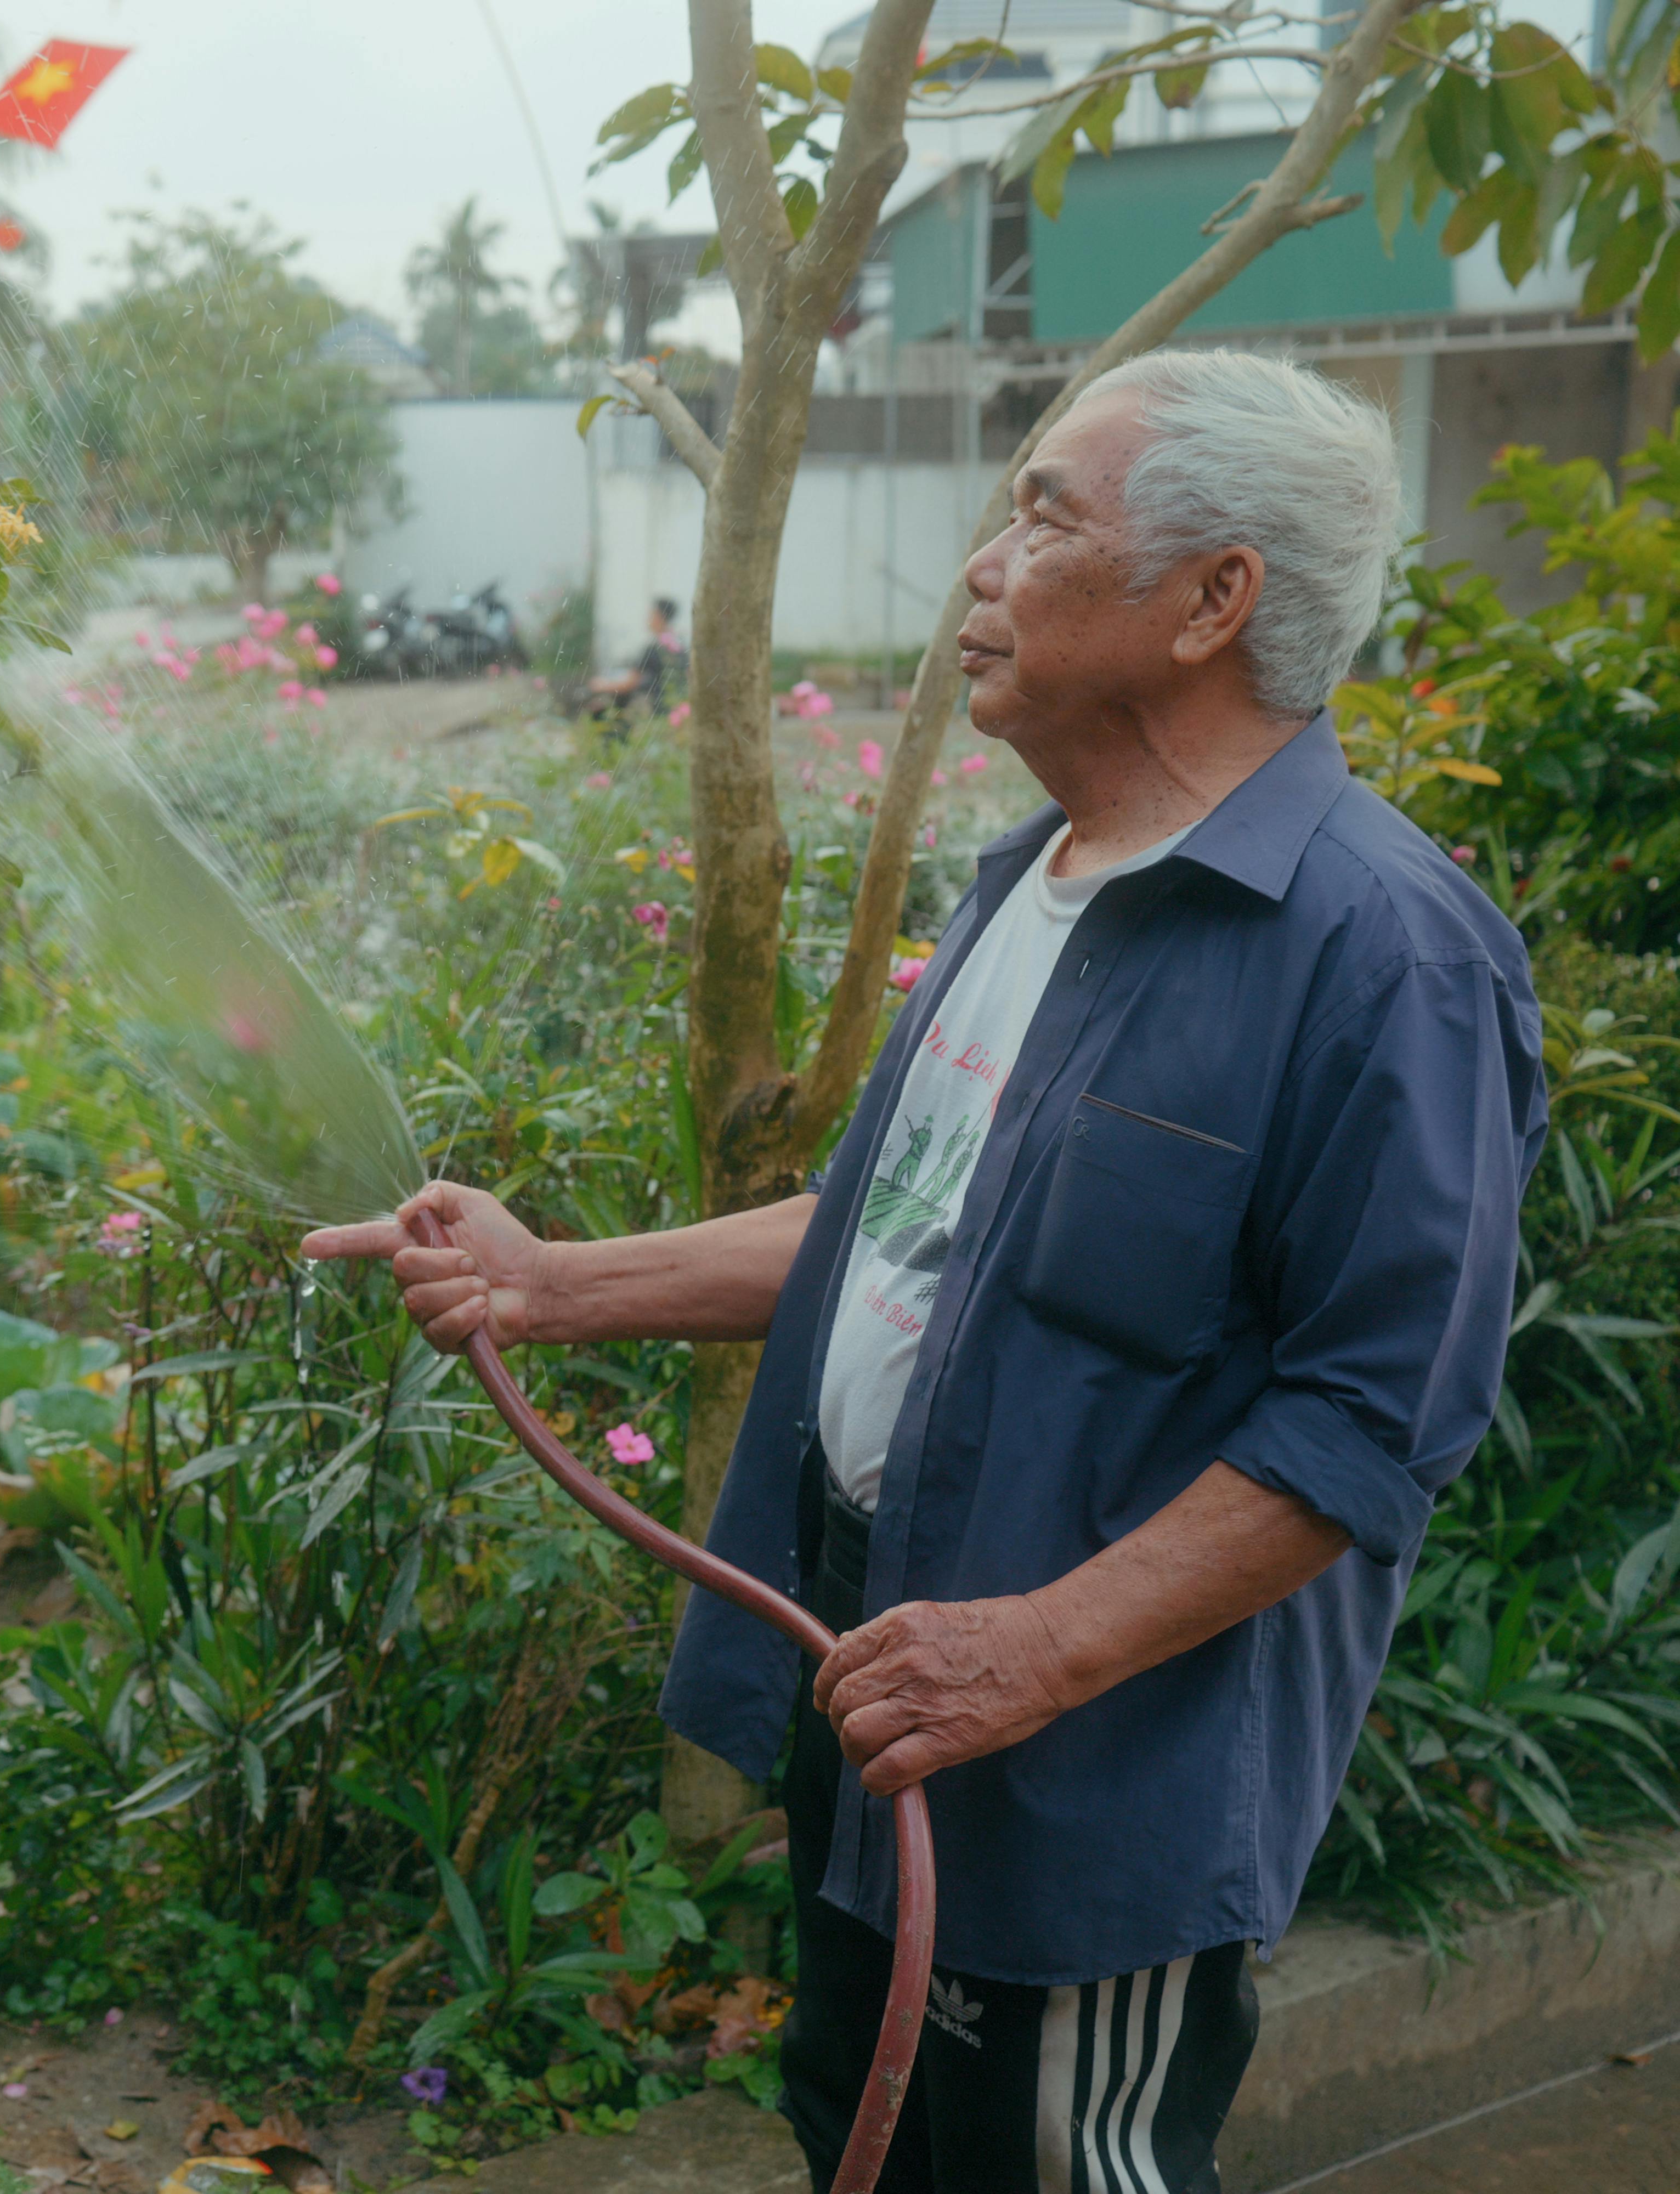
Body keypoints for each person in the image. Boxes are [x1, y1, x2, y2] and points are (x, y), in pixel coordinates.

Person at [307, 349, 1542, 2194]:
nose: (983, 560)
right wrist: (552, 1284)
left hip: (1086, 1786)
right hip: (883, 1702)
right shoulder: (1032, 881)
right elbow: (905, 1233)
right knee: (858, 2141)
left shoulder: (1386, 958)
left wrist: (1038, 1654)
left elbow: (1372, 1423)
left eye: (1045, 512)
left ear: (1216, 602)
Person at [577, 595, 686, 716]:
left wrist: (601, 686)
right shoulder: (678, 645)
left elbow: (629, 684)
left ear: (660, 617)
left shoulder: (655, 648)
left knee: (600, 708)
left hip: (654, 707)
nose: (648, 619)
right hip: (673, 706)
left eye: (651, 615)